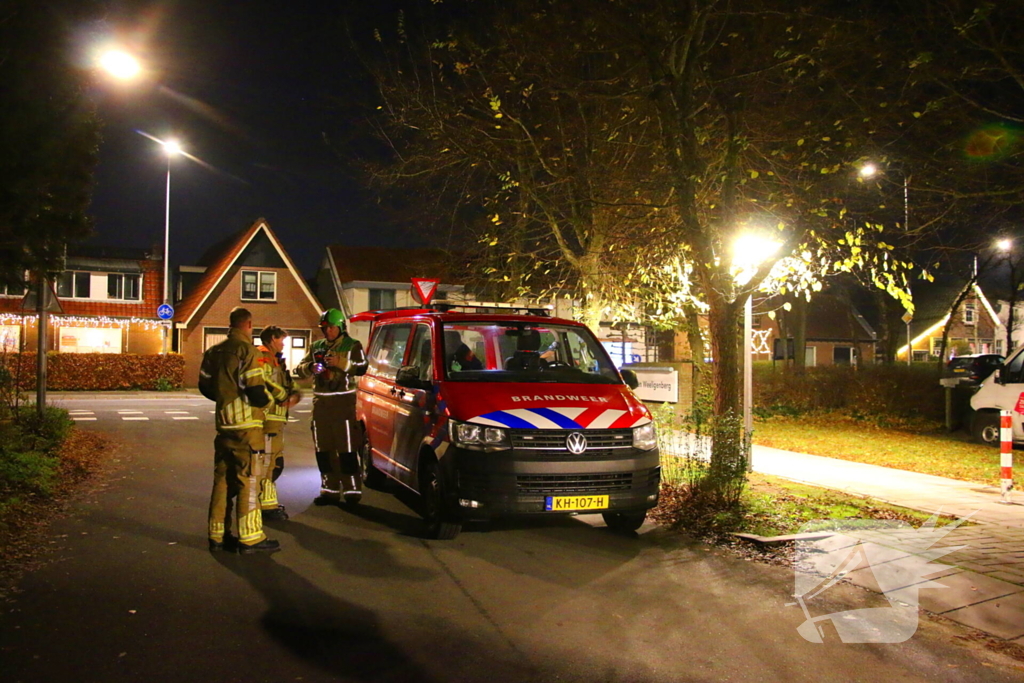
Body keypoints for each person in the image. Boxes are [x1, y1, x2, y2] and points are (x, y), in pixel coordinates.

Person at [198, 307, 280, 554]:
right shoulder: (247, 351)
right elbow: (255, 391)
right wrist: (268, 403)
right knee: (249, 480)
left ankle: (218, 536)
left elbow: (205, 386)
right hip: (247, 428)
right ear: (248, 325)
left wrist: (225, 400)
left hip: (224, 427)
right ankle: (251, 538)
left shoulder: (214, 351)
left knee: (222, 481)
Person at [295, 308, 368, 505]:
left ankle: (352, 489)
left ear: (341, 327)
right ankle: (329, 489)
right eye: (325, 328)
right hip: (321, 403)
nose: (327, 332)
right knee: (323, 448)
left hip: (343, 402)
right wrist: (311, 367)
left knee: (346, 447)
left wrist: (340, 362)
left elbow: (362, 367)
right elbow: (299, 368)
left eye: (331, 328)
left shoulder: (352, 345)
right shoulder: (316, 346)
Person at [256, 325, 302, 521]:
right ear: (272, 339)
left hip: (276, 419)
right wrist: (283, 395)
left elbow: (288, 383)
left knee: (273, 461)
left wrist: (295, 393)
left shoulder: (276, 360)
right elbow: (262, 381)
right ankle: (265, 506)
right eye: (282, 339)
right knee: (268, 463)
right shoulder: (262, 356)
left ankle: (267, 503)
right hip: (268, 418)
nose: (284, 343)